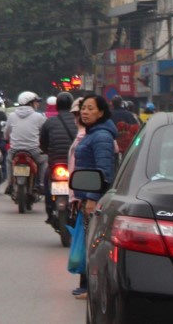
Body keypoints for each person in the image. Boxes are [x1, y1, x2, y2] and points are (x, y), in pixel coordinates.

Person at [72, 93, 117, 299]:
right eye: (83, 108)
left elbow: (103, 170)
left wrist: (91, 197)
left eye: (90, 108)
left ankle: (94, 287)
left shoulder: (101, 136)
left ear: (101, 112)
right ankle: (87, 285)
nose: (85, 112)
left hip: (95, 198)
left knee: (94, 244)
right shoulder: (92, 133)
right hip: (87, 196)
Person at [39, 90, 78, 225]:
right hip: (74, 164)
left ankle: (50, 211)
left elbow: (43, 143)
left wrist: (48, 152)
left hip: (55, 163)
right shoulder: (77, 121)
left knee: (46, 181)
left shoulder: (49, 122)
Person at [4, 91, 47, 198]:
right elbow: (45, 132)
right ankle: (41, 184)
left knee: (9, 161)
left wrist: (7, 139)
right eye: (36, 102)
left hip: (15, 150)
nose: (37, 104)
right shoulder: (39, 117)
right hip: (33, 150)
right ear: (30, 103)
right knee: (44, 161)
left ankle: (9, 184)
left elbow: (6, 133)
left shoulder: (12, 116)